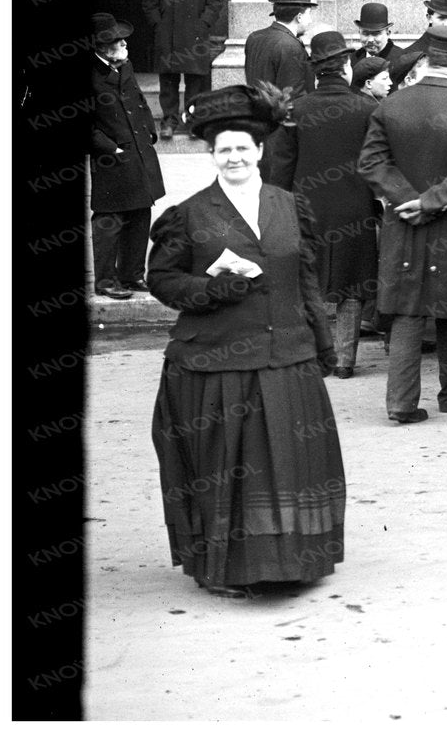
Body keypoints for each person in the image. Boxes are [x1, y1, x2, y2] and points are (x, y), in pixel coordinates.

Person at [146, 84, 345, 597]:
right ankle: (230, 568)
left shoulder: (289, 206)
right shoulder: (189, 215)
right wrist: (210, 289)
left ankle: (295, 561)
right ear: (212, 157)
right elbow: (162, 280)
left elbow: (305, 281)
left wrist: (323, 344)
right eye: (223, 150)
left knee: (293, 466)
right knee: (230, 471)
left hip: (287, 357)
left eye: (242, 148)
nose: (233, 156)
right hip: (218, 362)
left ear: (259, 151)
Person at [357, 24, 447, 424]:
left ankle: (400, 402)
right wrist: (431, 202)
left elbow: (370, 163)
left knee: (406, 310)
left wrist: (407, 200)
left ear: (430, 60)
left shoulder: (392, 106)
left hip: (404, 223)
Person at [262, 30, 382, 377]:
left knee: (308, 283)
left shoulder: (295, 110)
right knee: (353, 285)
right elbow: (375, 164)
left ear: (316, 70)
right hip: (354, 209)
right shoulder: (366, 108)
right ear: (346, 66)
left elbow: (280, 168)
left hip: (306, 209)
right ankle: (344, 360)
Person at [86, 15, 166, 298]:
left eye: (122, 38)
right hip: (112, 157)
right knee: (110, 218)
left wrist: (150, 131)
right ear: (100, 46)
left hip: (139, 150)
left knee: (140, 211)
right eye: (115, 40)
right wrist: (111, 149)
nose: (123, 43)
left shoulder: (125, 65)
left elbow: (139, 100)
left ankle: (132, 276)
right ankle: (106, 281)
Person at [139, 0, 226, 138]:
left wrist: (204, 23)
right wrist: (158, 23)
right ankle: (169, 121)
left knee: (195, 81)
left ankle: (192, 121)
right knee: (168, 80)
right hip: (167, 33)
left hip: (195, 34)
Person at [244, 0, 318, 98]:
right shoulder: (291, 46)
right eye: (309, 13)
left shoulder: (254, 37)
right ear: (299, 17)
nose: (310, 20)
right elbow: (294, 96)